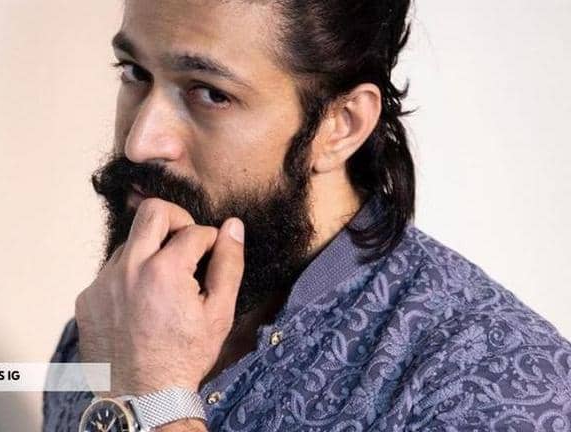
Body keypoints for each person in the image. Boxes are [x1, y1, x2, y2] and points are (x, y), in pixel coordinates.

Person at [44, 1, 571, 431]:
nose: (140, 143)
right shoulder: (108, 327)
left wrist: (154, 400)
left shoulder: (498, 386)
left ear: (341, 125)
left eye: (210, 93)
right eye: (135, 72)